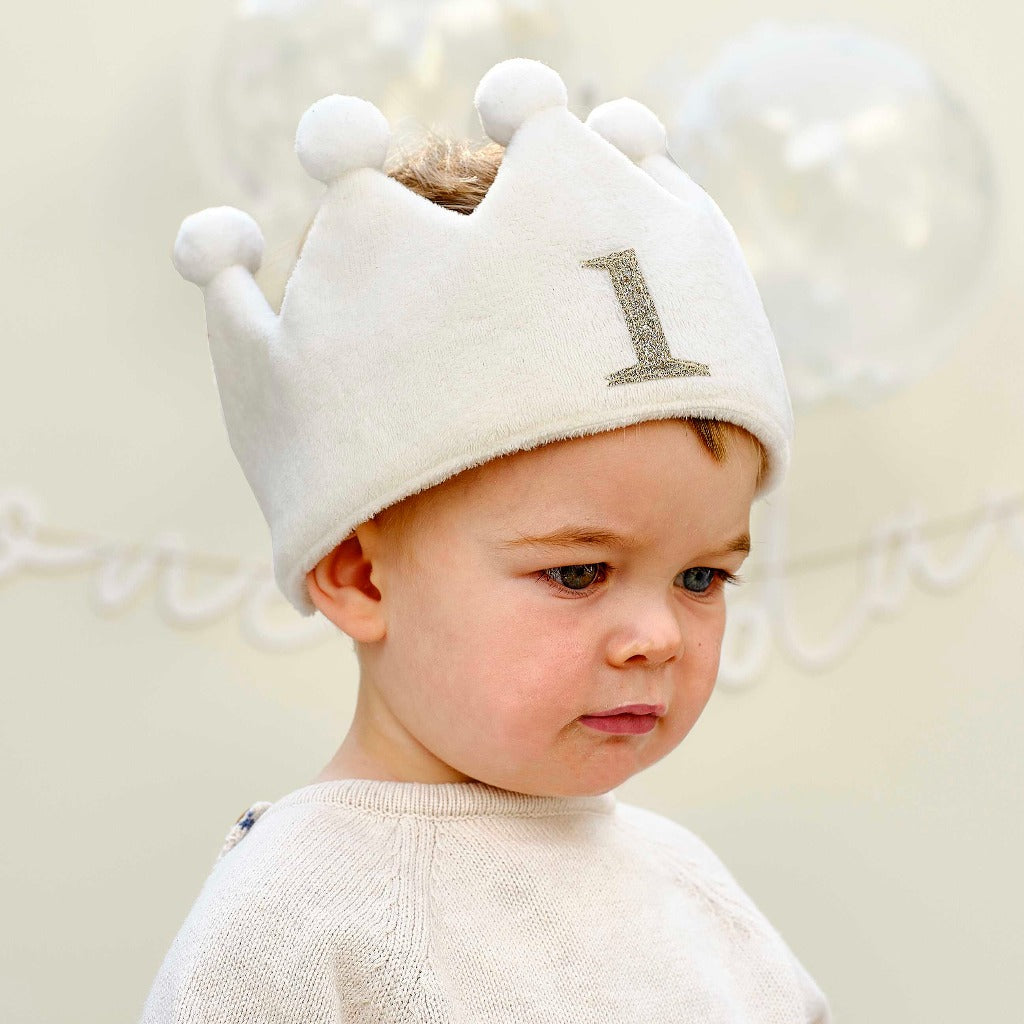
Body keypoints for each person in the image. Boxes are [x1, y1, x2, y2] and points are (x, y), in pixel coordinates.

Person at [141, 57, 832, 1023]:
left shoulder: (695, 894)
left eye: (702, 576)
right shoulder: (294, 922)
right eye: (580, 571)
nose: (661, 637)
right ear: (357, 573)